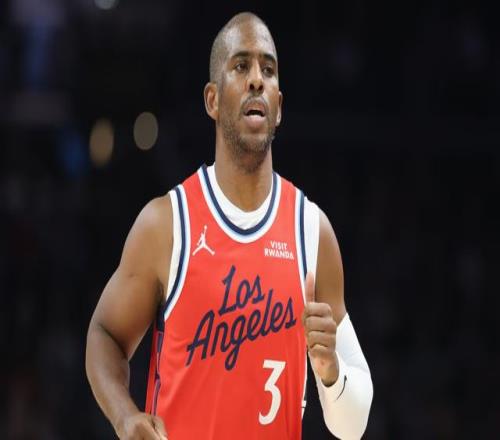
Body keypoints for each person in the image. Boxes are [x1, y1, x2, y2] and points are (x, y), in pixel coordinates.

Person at [86, 11, 373, 440]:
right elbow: (105, 333)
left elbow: (353, 426)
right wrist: (125, 416)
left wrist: (331, 373)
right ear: (213, 100)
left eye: (268, 70)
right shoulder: (167, 224)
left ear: (278, 107)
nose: (257, 79)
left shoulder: (312, 232)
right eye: (241, 66)